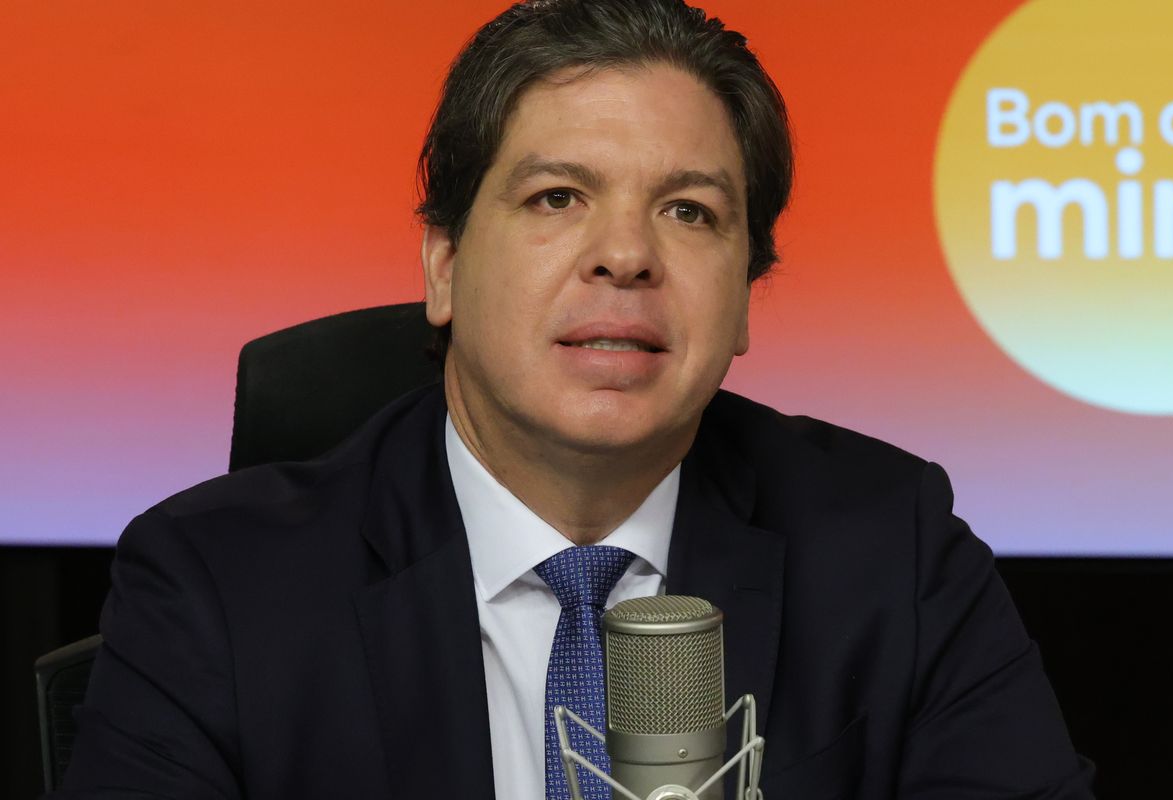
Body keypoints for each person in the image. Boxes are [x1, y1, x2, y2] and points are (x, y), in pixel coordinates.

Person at [57, 1, 1096, 797]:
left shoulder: (891, 552)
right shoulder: (216, 587)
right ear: (444, 265)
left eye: (689, 211)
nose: (625, 255)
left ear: (745, 296)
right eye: (558, 197)